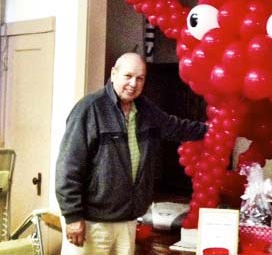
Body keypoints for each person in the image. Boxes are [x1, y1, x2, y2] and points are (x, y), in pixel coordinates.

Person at [55, 52, 207, 255]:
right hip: (93, 223)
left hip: (128, 221)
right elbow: (68, 167)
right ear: (113, 73)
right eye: (128, 76)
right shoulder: (89, 109)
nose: (133, 84)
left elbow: (175, 126)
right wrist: (72, 216)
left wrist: (214, 130)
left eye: (140, 78)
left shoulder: (145, 110)